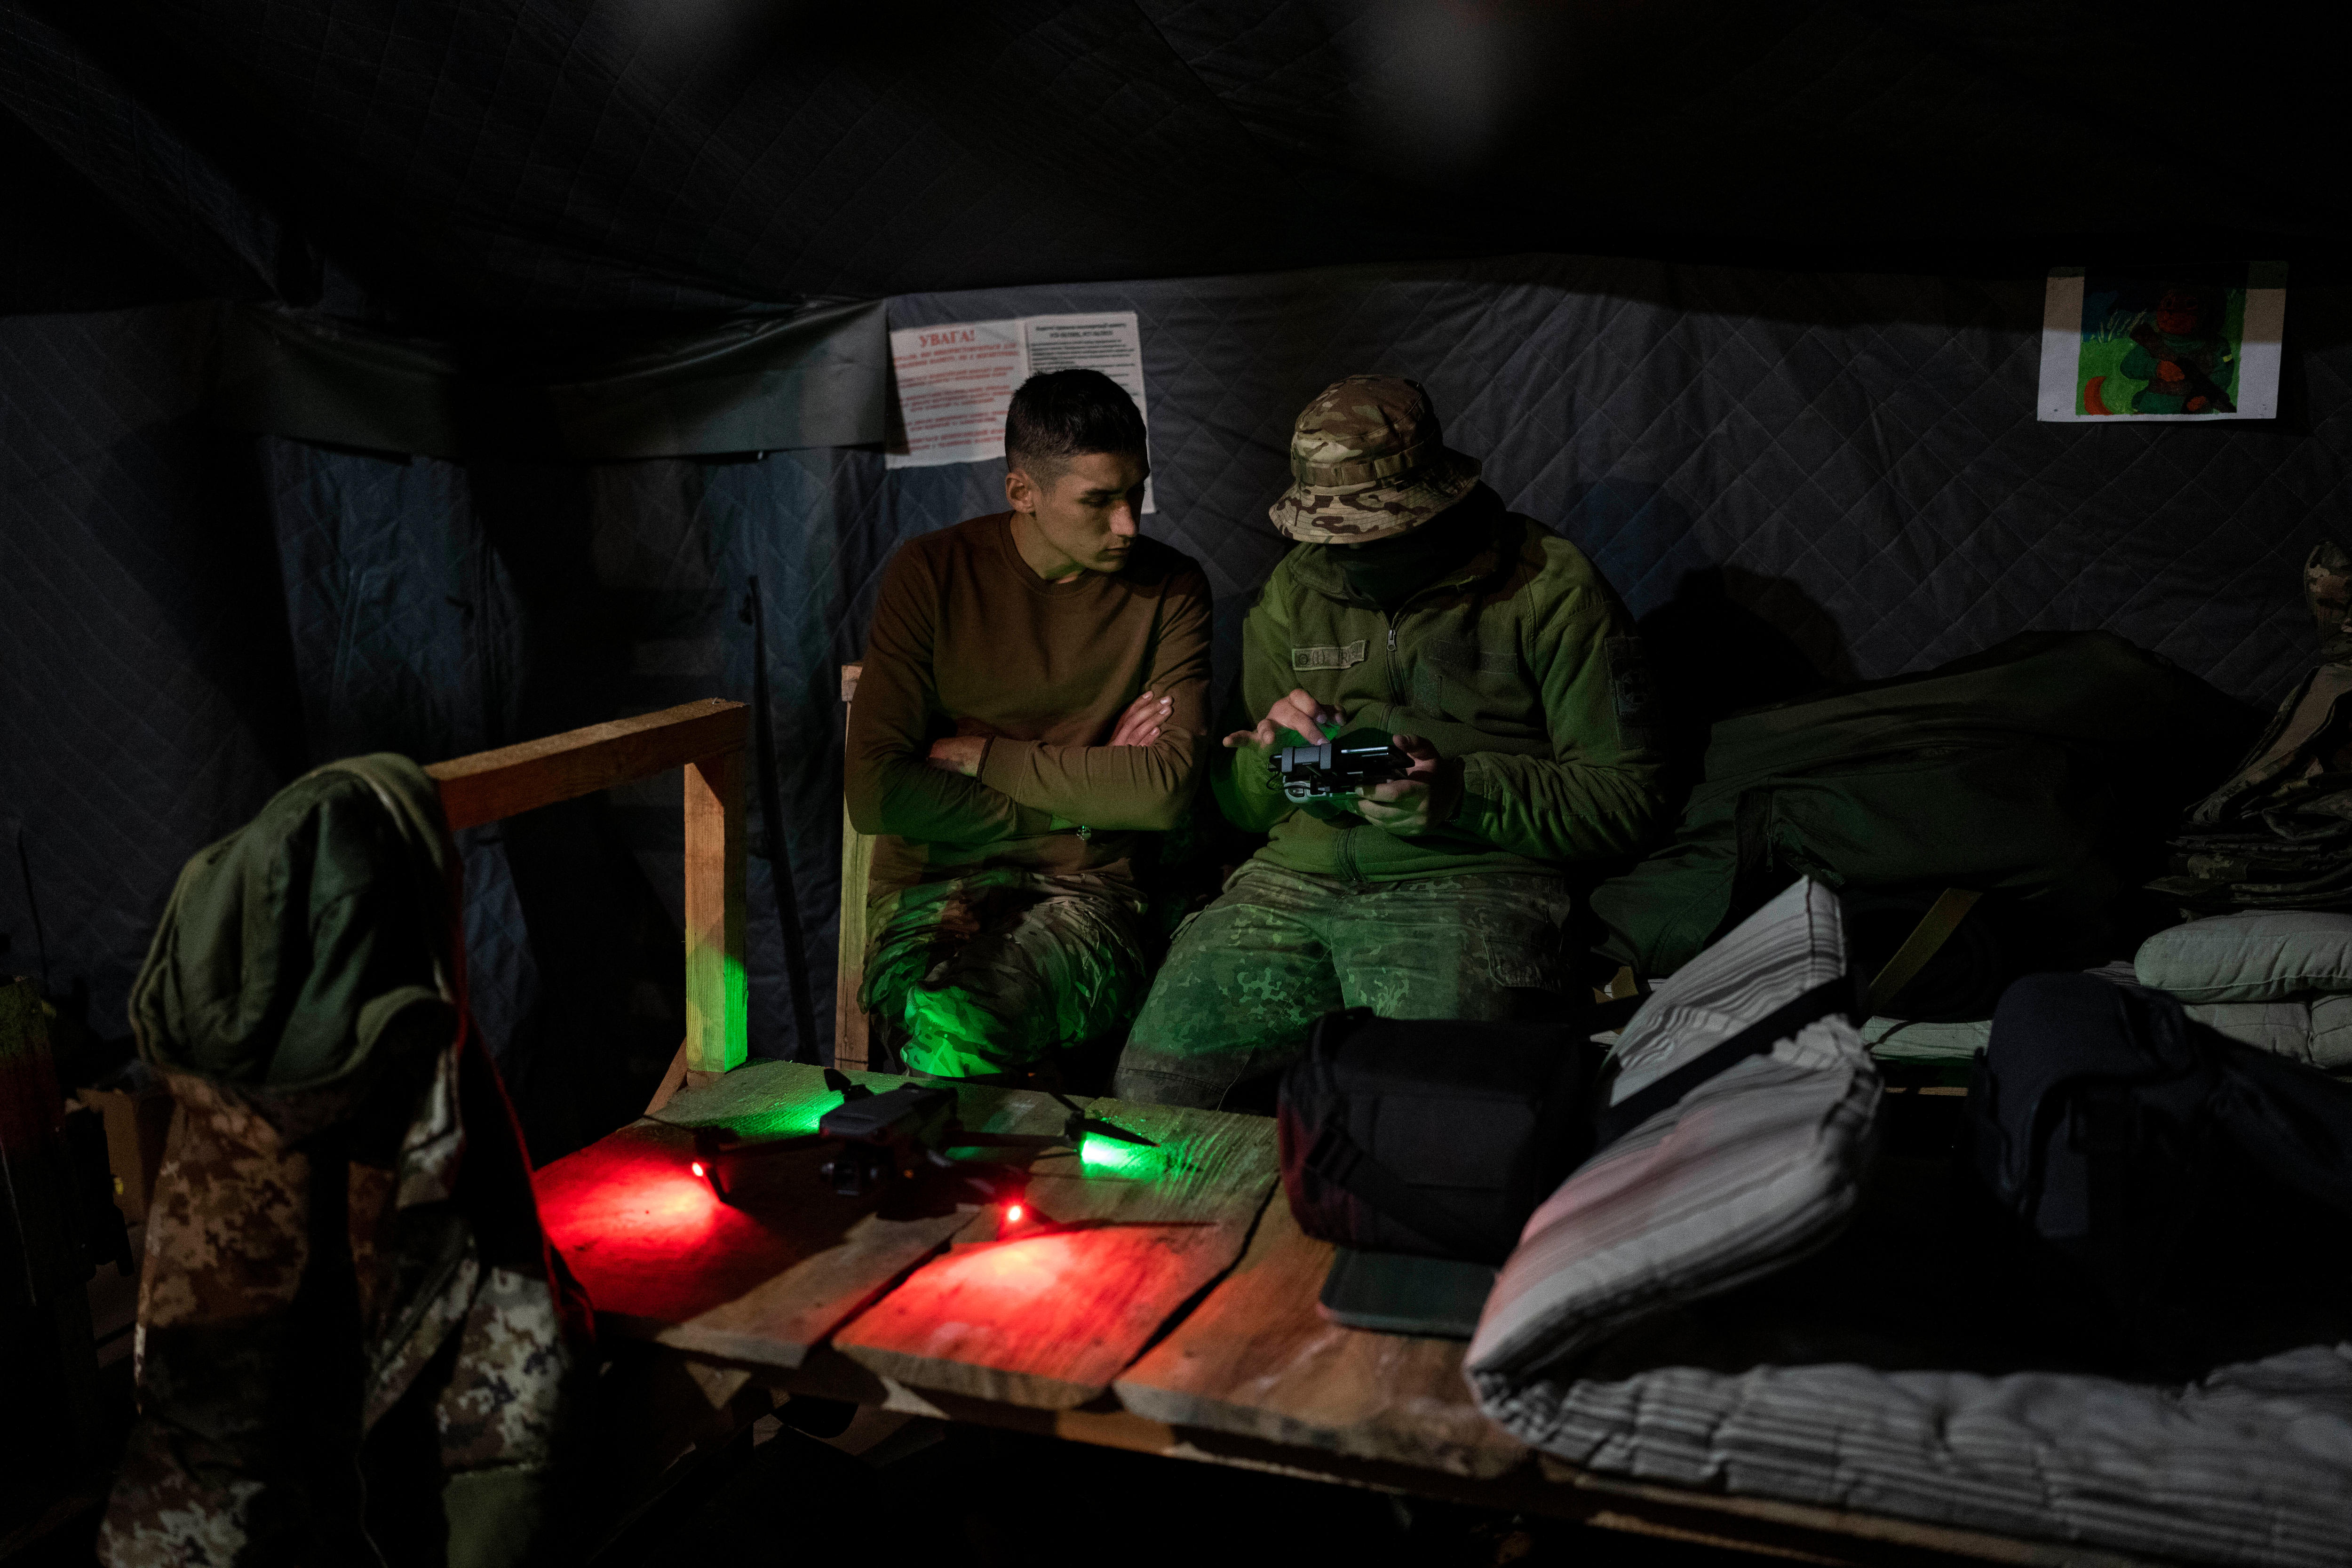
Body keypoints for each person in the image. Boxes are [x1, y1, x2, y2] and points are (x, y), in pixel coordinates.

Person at [1114, 374, 1666, 1108]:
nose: (1344, 553)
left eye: (1372, 531)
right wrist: (1275, 762)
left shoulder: (1549, 587)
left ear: (1435, 501)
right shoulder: (1295, 591)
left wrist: (1461, 794)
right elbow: (1242, 808)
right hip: (1291, 883)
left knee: (1428, 1114)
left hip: (1469, 884)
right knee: (1151, 1100)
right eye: (1329, 533)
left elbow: (1628, 796)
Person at [845, 368, 1212, 1079]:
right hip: (934, 885)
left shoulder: (1171, 587)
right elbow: (878, 792)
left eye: (1136, 492)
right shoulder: (932, 573)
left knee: (963, 1025)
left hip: (1088, 892)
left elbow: (1162, 790)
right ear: (1022, 492)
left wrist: (990, 758)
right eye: (1098, 501)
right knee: (942, 1016)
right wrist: (1088, 805)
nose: (1128, 524)